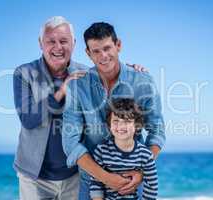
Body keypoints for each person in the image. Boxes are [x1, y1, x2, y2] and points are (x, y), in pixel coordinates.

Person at [13, 16, 145, 200]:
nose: (58, 47)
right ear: (40, 43)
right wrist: (61, 91)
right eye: (51, 41)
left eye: (64, 41)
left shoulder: (86, 74)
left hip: (75, 173)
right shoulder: (24, 73)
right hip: (34, 177)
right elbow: (28, 120)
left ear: (73, 44)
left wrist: (131, 70)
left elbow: (112, 107)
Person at [62, 22, 165, 200]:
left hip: (132, 182)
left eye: (107, 48)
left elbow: (157, 130)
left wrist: (141, 172)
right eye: (96, 51)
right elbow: (70, 142)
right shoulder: (78, 87)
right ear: (88, 53)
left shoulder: (143, 82)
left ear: (118, 45)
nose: (103, 56)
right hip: (91, 182)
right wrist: (105, 178)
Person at [90, 98, 158, 200]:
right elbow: (96, 183)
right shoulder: (102, 151)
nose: (121, 126)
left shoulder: (145, 155)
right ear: (109, 125)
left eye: (127, 121)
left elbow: (152, 185)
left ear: (137, 125)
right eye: (116, 121)